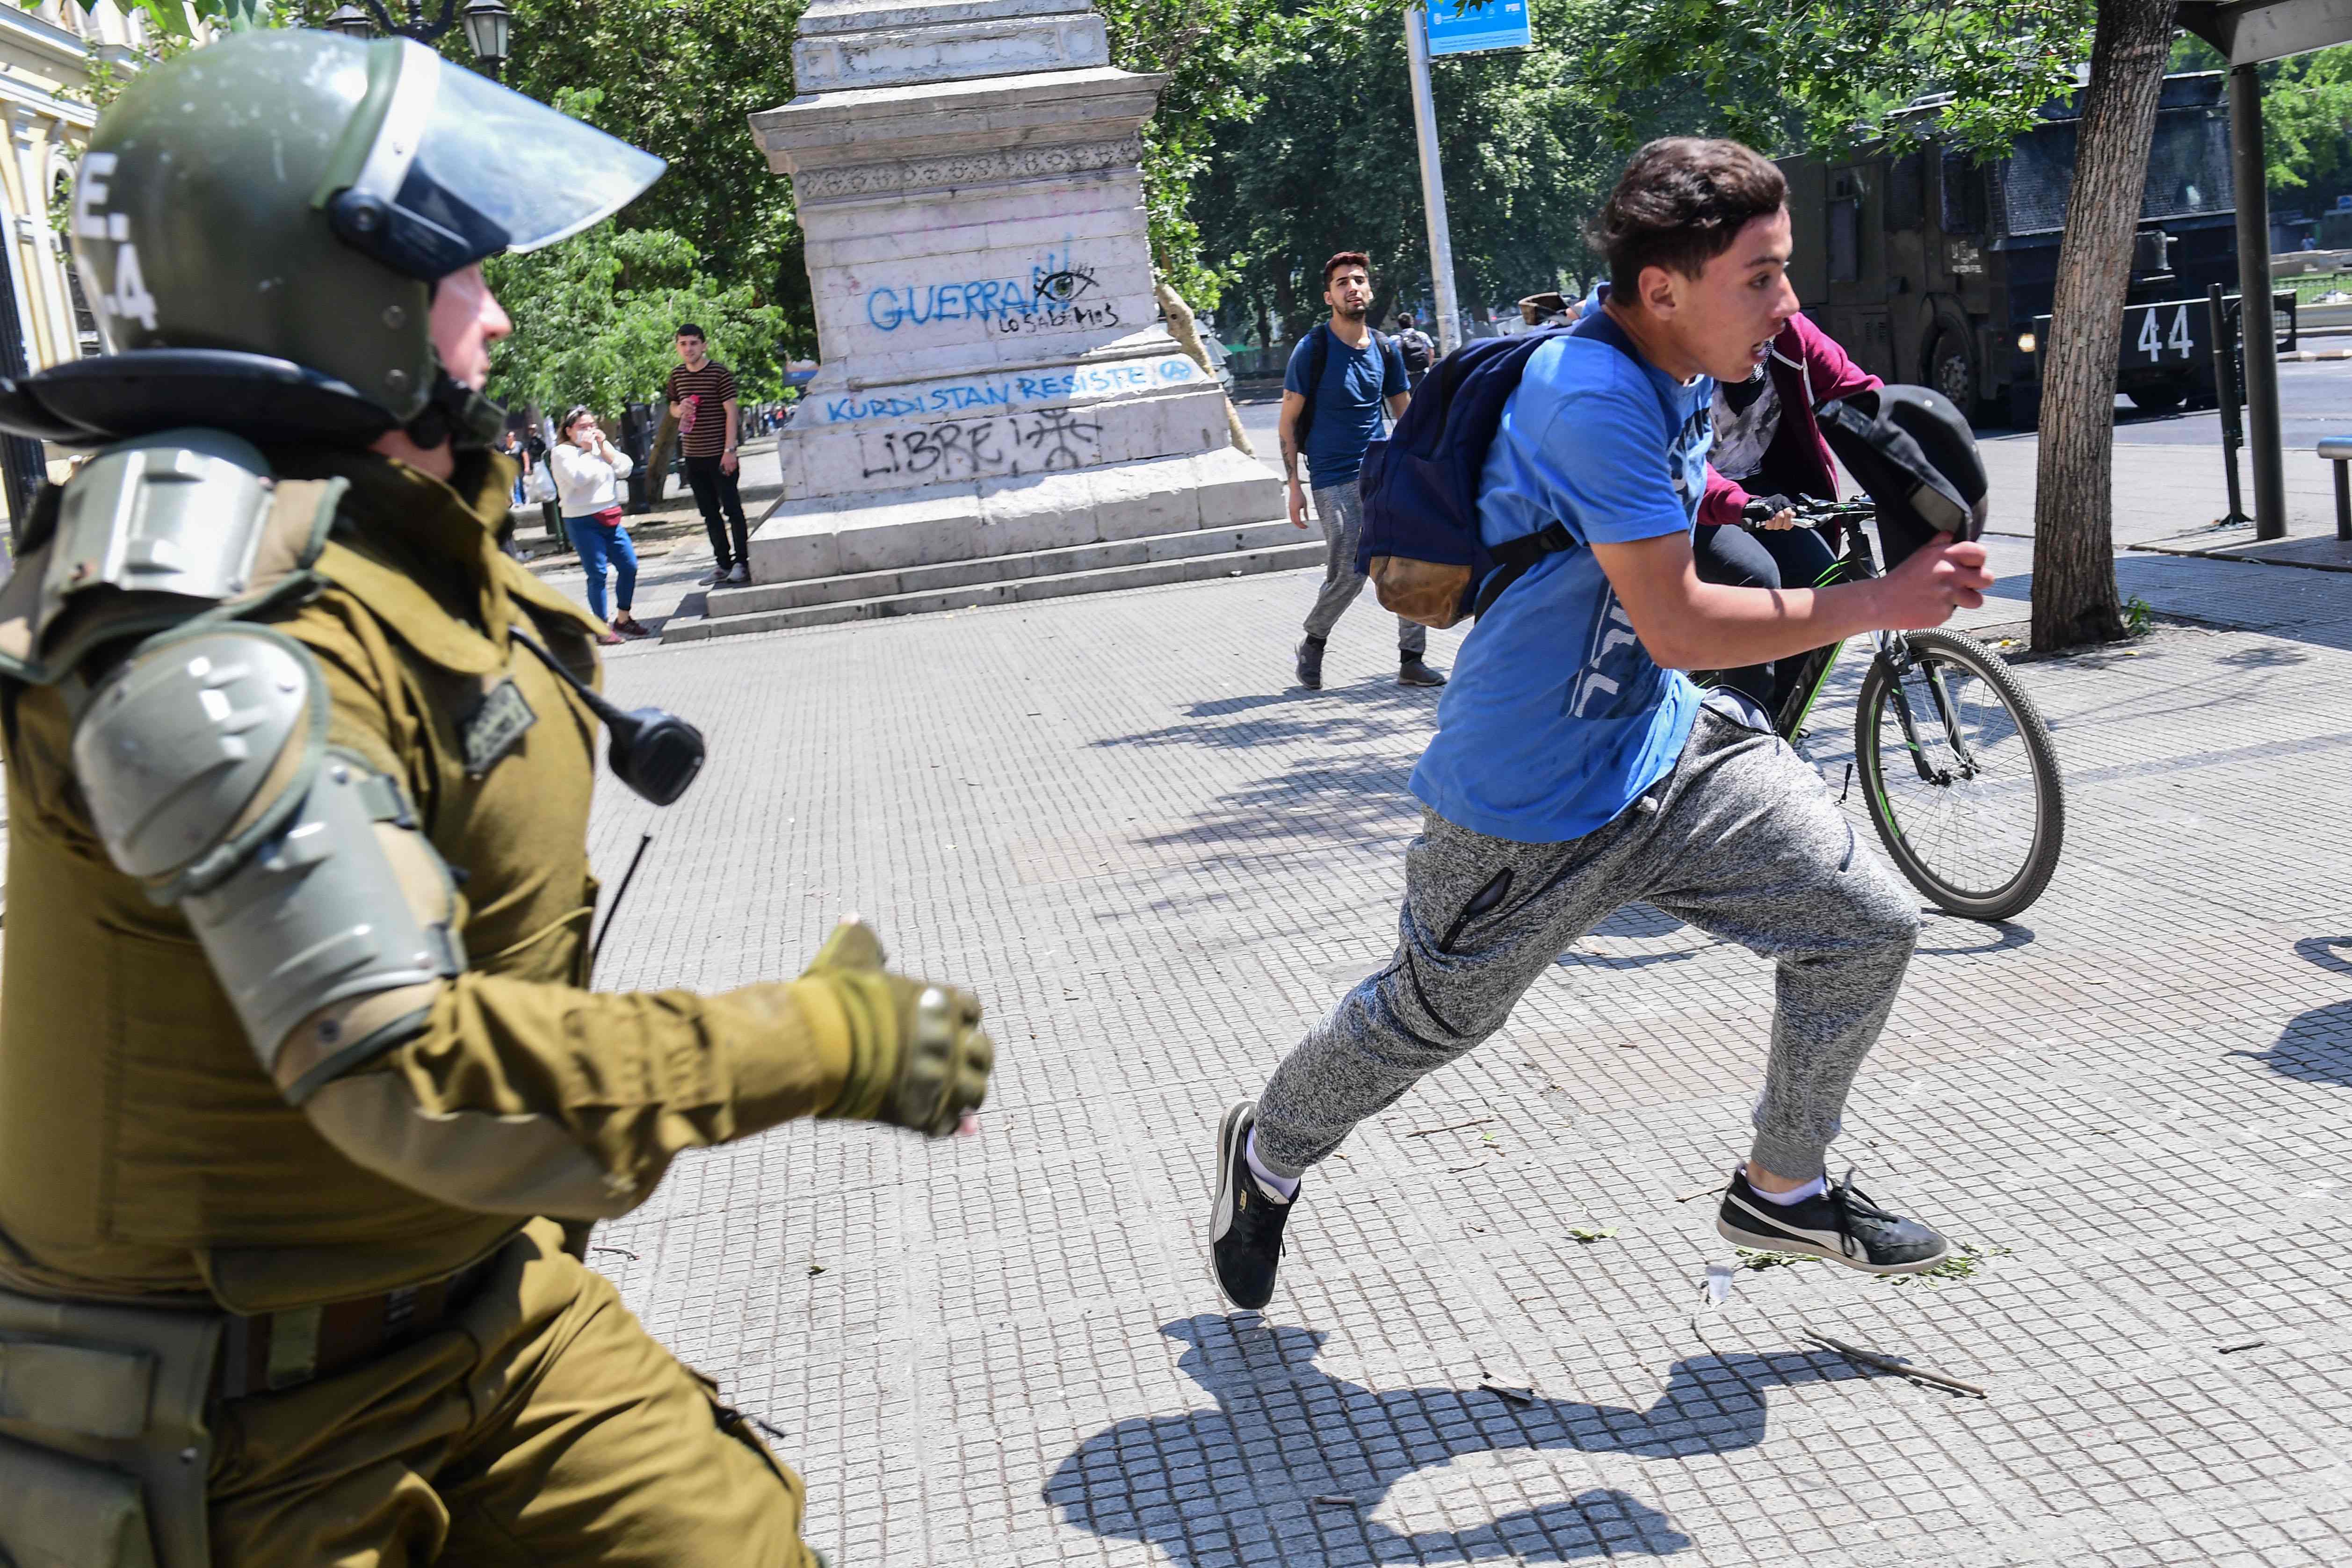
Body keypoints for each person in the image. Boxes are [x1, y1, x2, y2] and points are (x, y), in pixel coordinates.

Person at [0, 30, 991, 1566]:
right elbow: (408, 1071)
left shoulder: (389, 542)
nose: (499, 314)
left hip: (483, 1308)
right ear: (339, 286)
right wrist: (815, 1041)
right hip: (239, 1423)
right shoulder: (211, 638)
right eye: (465, 270)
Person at [1209, 137, 1995, 1314]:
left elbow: (1669, 544)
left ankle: (1781, 1189)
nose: (1786, 305)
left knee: (1863, 931)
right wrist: (1880, 601)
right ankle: (1266, 1153)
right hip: (1529, 803)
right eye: (1761, 277)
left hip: (1672, 752)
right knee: (1421, 1026)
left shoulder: (1671, 360)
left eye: (1784, 272)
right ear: (1664, 286)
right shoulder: (1590, 394)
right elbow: (1676, 621)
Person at [1692, 310, 1882, 715]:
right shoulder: (1680, 350)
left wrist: (1910, 459)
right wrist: (1738, 504)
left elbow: (1854, 397)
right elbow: (1677, 460)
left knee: (1823, 585)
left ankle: (1781, 724)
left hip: (1758, 486)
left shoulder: (1788, 333)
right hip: (1687, 498)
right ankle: (1742, 743)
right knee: (1755, 579)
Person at [1282, 252, 1446, 691]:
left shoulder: (1385, 348)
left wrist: (1424, 466)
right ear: (1328, 295)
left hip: (1383, 473)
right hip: (1332, 479)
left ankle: (1412, 660)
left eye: (1358, 280)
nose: (1352, 287)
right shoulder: (1313, 349)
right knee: (1350, 573)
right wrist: (1294, 486)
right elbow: (1287, 420)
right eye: (1341, 282)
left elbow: (1404, 415)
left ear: (1369, 290)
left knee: (1409, 561)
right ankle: (1314, 641)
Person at [551, 404, 649, 642]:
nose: (590, 430)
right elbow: (578, 479)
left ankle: (624, 618)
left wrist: (604, 448)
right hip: (582, 519)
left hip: (610, 514)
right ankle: (601, 627)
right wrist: (589, 451)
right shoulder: (562, 453)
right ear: (569, 431)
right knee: (598, 573)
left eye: (592, 425)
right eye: (583, 427)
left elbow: (625, 468)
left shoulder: (600, 448)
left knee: (629, 566)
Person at [667, 323, 748, 585]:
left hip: (720, 454)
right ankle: (722, 564)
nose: (688, 348)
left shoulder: (719, 373)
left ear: (704, 345)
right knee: (709, 513)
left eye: (693, 343)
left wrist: (730, 451)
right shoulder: (677, 375)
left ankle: (742, 563)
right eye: (683, 344)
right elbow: (672, 407)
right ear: (677, 347)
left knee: (732, 510)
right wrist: (680, 410)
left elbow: (731, 413)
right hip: (693, 455)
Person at [1394, 311, 1437, 390]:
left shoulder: (1394, 339)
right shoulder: (1423, 335)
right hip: (1423, 373)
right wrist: (1428, 367)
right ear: (1412, 323)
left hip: (1405, 377)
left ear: (1399, 325)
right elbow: (1431, 352)